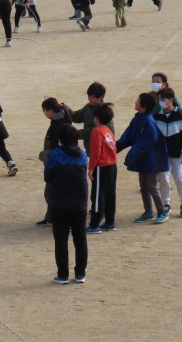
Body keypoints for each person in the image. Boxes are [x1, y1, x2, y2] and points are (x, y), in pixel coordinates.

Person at [115, 93, 169, 224]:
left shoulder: (148, 122)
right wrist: (114, 148)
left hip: (151, 160)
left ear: (143, 106)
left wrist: (131, 155)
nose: (135, 102)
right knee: (143, 187)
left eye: (138, 101)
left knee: (151, 186)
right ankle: (148, 211)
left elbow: (145, 143)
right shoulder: (137, 119)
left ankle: (162, 211)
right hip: (142, 159)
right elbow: (127, 137)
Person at [44, 124, 89, 284]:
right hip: (80, 202)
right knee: (80, 239)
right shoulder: (83, 155)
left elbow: (48, 176)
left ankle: (63, 275)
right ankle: (80, 274)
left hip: (60, 202)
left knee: (61, 240)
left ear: (61, 139)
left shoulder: (55, 155)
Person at [154, 87, 182, 217]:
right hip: (162, 154)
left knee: (179, 178)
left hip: (177, 154)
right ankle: (166, 203)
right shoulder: (156, 117)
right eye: (160, 99)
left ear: (171, 100)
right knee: (163, 179)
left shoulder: (180, 116)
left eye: (163, 98)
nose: (161, 101)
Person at [36, 97, 72, 228]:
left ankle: (54, 218)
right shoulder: (62, 120)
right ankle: (53, 217)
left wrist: (44, 156)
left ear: (50, 111)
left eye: (44, 110)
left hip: (57, 165)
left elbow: (56, 148)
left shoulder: (58, 126)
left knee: (51, 193)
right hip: (62, 164)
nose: (44, 113)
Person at [86, 102, 118, 233]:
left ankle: (95, 224)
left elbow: (95, 152)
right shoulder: (108, 131)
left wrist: (91, 168)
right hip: (112, 166)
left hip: (102, 166)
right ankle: (110, 221)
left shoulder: (96, 131)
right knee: (110, 194)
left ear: (96, 118)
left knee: (98, 195)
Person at [70, 82, 115, 154]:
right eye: (89, 96)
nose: (90, 99)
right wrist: (65, 108)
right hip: (91, 148)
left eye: (93, 97)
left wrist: (73, 134)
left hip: (102, 151)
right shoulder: (88, 107)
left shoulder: (105, 112)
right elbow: (77, 117)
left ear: (101, 97)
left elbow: (92, 131)